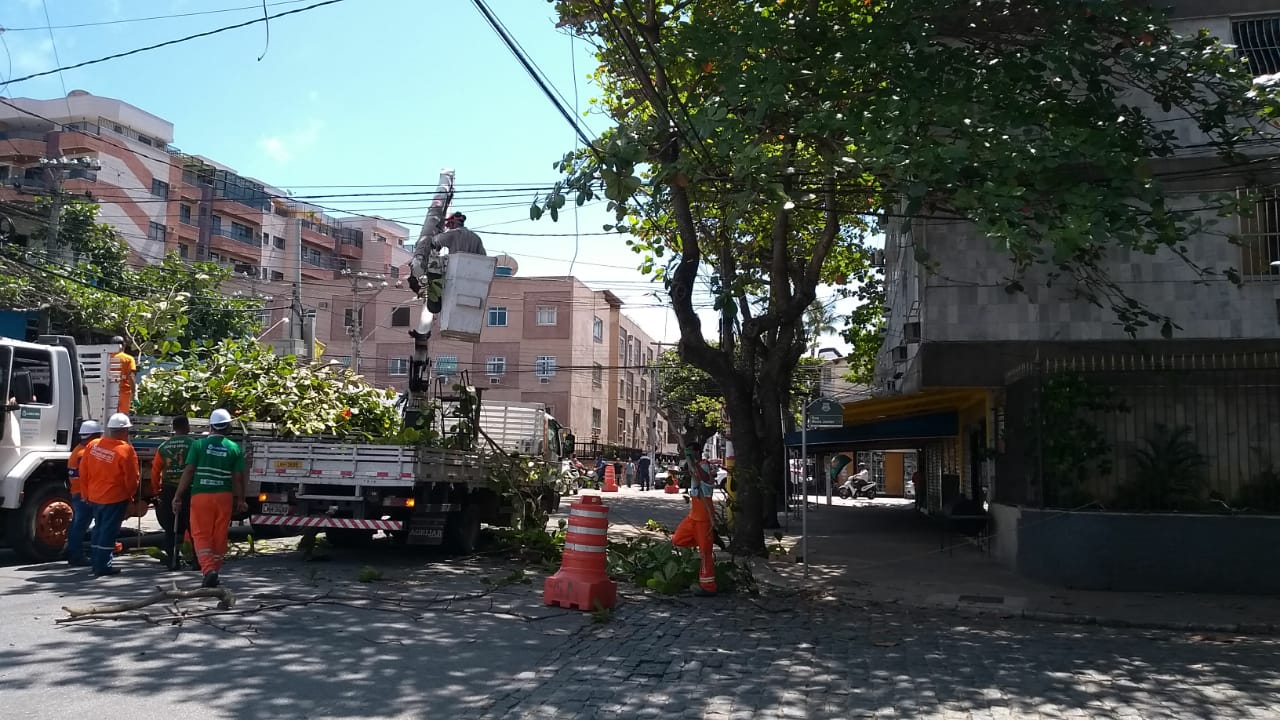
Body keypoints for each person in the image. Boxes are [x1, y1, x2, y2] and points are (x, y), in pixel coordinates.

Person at [173, 409, 247, 588]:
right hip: (224, 496)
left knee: (200, 533)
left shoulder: (198, 445)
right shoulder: (234, 447)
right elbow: (238, 477)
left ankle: (208, 570)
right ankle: (215, 569)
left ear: (211, 426)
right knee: (219, 533)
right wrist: (241, 499)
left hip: (201, 496)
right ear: (228, 426)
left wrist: (178, 495)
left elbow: (189, 471)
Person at [79, 413, 140, 577]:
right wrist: (130, 497)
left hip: (94, 496)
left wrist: (85, 493)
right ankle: (103, 565)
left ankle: (96, 562)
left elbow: (83, 472)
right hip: (114, 498)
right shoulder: (125, 450)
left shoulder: (93, 445)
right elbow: (132, 478)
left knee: (98, 529)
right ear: (124, 431)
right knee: (108, 531)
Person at [671, 447, 718, 596]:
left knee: (705, 553)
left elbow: (706, 479)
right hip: (693, 514)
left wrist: (696, 464)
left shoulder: (704, 464)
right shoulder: (692, 466)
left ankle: (708, 586)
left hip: (704, 515)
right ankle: (699, 540)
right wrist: (690, 463)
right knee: (678, 539)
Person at [151, 416, 194, 571]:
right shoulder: (194, 445)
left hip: (169, 490)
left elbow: (155, 472)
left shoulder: (163, 447)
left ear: (173, 428)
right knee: (192, 526)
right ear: (187, 427)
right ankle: (196, 560)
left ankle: (171, 560)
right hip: (190, 489)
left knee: (170, 529)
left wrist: (156, 491)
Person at [65, 420, 103, 566]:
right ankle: (76, 556)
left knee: (78, 524)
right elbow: (87, 475)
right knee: (81, 525)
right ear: (93, 435)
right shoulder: (84, 452)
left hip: (77, 492)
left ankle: (74, 553)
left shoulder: (77, 450)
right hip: (83, 494)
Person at [107, 335, 138, 415]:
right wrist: (134, 393)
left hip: (108, 393)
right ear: (123, 345)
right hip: (124, 393)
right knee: (122, 418)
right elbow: (131, 376)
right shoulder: (128, 359)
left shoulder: (107, 358)